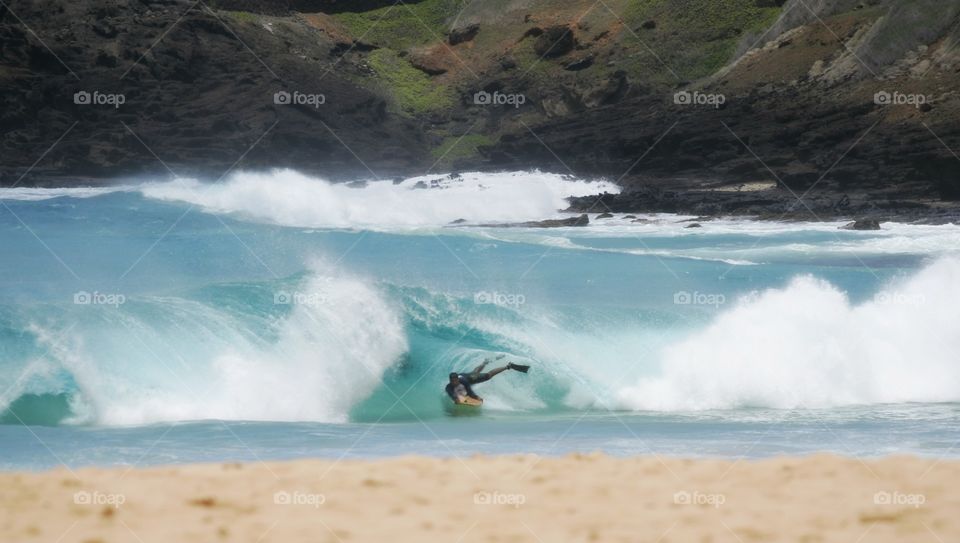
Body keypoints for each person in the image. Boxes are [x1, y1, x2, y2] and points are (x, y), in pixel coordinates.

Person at [445, 354, 529, 404]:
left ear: (458, 380)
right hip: (464, 375)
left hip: (468, 378)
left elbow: (469, 391)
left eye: (455, 381)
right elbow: (451, 394)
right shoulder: (448, 387)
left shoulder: (463, 381)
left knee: (487, 375)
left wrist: (476, 397)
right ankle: (485, 362)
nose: (454, 383)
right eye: (452, 381)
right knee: (474, 372)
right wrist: (455, 399)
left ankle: (508, 366)